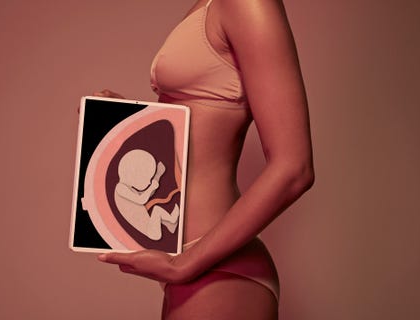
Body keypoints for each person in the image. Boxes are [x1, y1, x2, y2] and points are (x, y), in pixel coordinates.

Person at [95, 0, 314, 319]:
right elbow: (199, 123)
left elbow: (294, 168)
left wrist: (185, 263)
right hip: (193, 265)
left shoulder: (248, 3)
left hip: (216, 266)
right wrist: (125, 119)